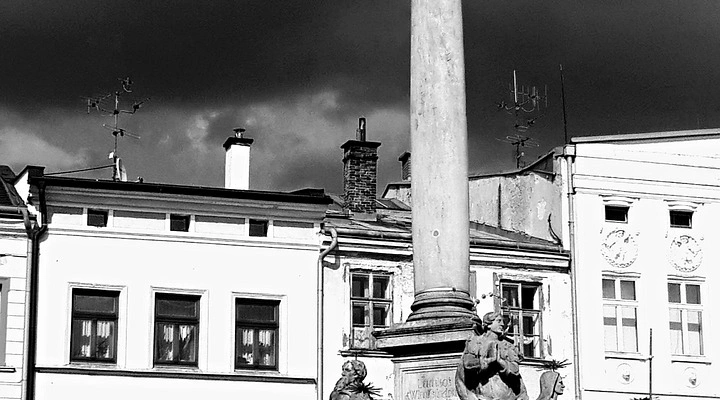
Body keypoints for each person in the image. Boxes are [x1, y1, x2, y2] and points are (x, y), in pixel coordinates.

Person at [455, 311, 528, 400]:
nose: (502, 324)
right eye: (499, 321)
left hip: (506, 394)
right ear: (489, 324)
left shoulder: (508, 345)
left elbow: (515, 369)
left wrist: (501, 362)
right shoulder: (476, 342)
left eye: (502, 321)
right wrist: (487, 361)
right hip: (483, 393)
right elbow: (468, 363)